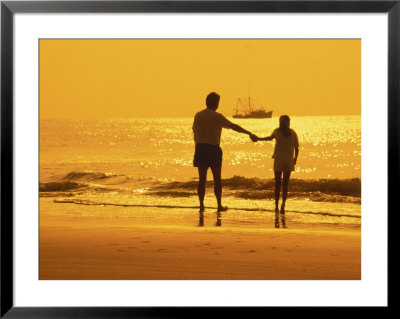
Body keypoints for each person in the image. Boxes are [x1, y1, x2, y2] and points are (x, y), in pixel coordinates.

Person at [192, 92, 258, 214]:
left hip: (200, 148)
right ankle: (219, 205)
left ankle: (201, 205)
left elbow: (194, 131)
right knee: (217, 180)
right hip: (213, 149)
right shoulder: (217, 116)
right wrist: (249, 133)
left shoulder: (198, 115)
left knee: (202, 180)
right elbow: (233, 126)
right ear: (216, 104)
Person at [254, 115, 299, 228]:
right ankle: (280, 205)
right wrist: (295, 159)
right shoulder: (283, 132)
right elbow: (296, 148)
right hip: (285, 160)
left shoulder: (289, 133)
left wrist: (295, 159)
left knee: (280, 183)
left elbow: (296, 147)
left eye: (282, 122)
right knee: (283, 184)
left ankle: (279, 205)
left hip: (282, 160)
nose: (282, 124)